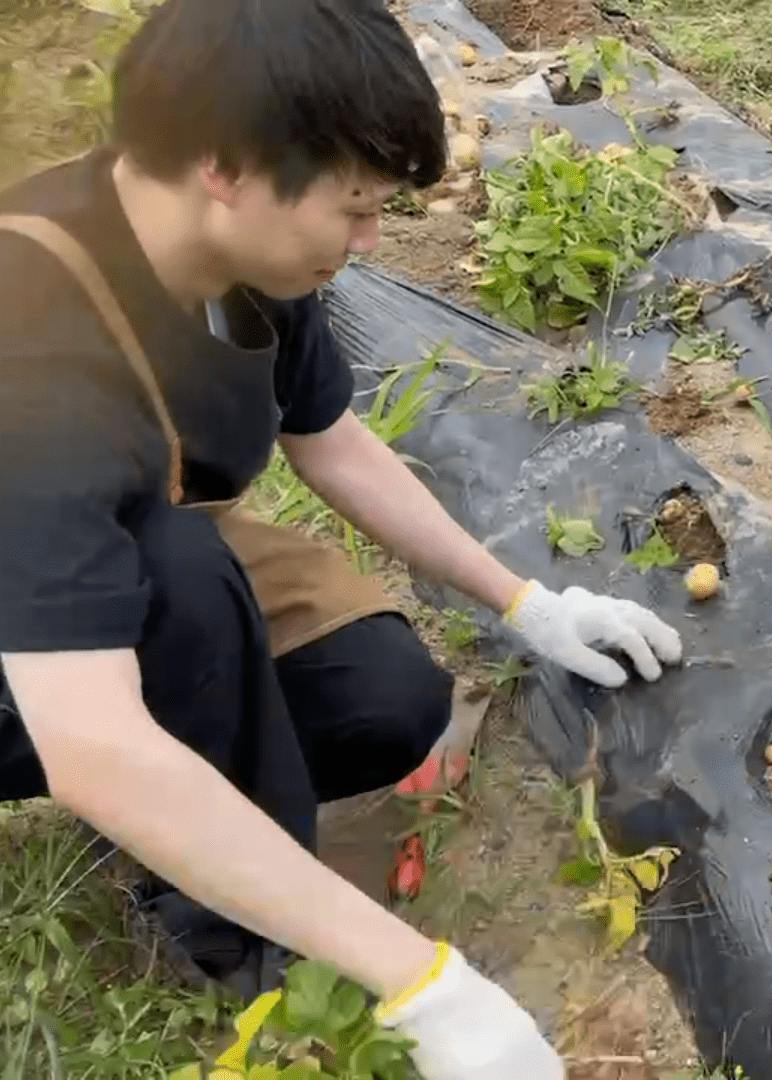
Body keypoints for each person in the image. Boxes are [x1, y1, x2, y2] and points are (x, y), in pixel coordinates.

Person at [0, 1, 683, 1076]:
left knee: (382, 700)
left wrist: (525, 603)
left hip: (111, 578)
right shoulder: (31, 347)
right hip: (31, 653)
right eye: (354, 208)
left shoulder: (242, 268)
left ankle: (199, 822)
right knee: (178, 575)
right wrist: (424, 983)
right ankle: (228, 935)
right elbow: (88, 737)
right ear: (227, 165)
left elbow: (332, 443)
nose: (368, 244)